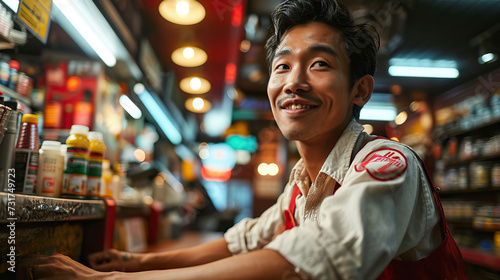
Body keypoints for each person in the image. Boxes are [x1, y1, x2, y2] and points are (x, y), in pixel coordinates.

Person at [21, 0, 467, 279]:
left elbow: (319, 254)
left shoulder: (389, 163)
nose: (294, 83)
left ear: (360, 90)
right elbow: (245, 241)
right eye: (282, 66)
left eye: (320, 64)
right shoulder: (301, 183)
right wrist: (137, 262)